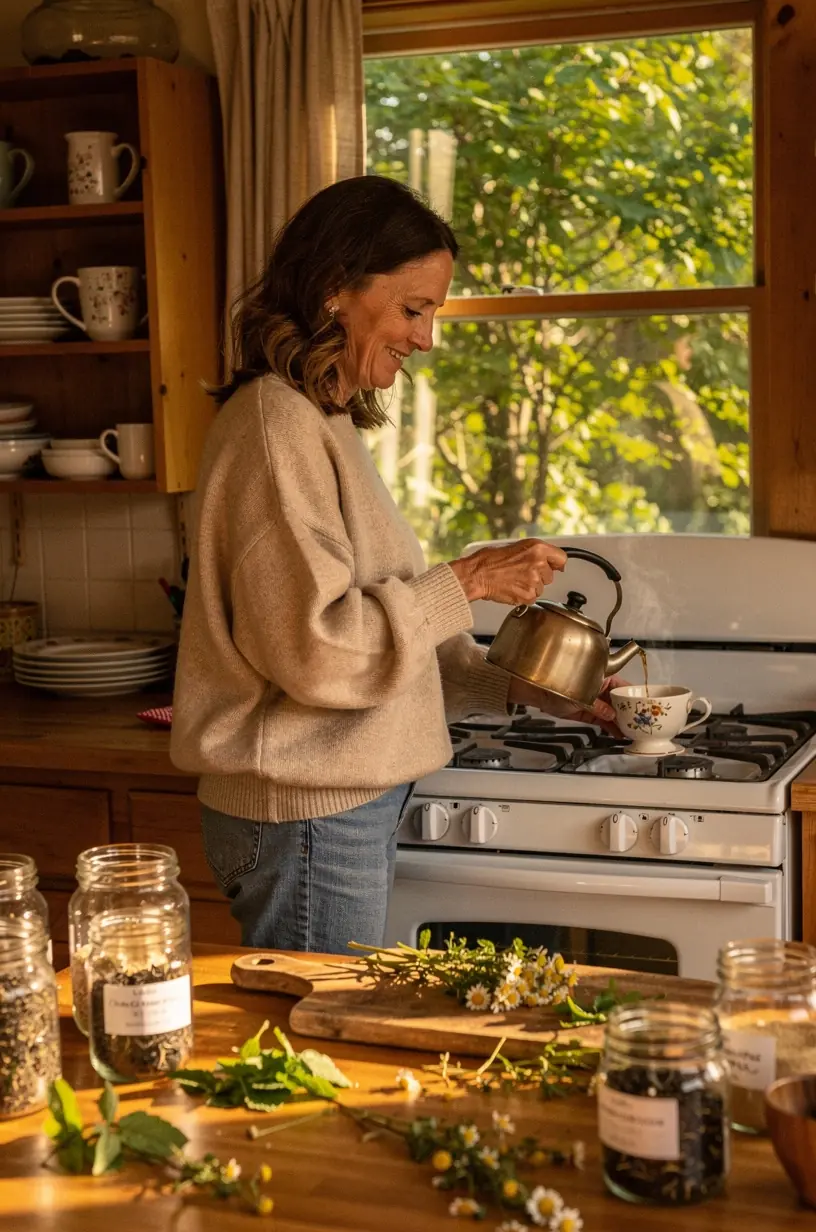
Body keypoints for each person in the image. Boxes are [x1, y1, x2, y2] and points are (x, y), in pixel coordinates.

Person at [170, 174, 621, 954]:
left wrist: (519, 689)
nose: (426, 338)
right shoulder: (276, 428)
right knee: (316, 1027)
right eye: (414, 309)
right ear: (335, 289)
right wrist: (468, 580)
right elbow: (320, 650)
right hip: (306, 815)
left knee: (330, 1022)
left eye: (432, 313)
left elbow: (378, 642)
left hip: (334, 806)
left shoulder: (322, 421)